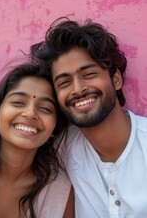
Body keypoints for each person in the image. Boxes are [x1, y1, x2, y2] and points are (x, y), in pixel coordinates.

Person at [30, 17, 147, 218]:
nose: (78, 89)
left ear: (116, 79)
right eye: (64, 83)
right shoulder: (60, 149)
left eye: (89, 74)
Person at [0, 62, 74, 218]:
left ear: (54, 130)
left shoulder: (57, 191)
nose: (30, 113)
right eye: (18, 102)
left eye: (45, 108)